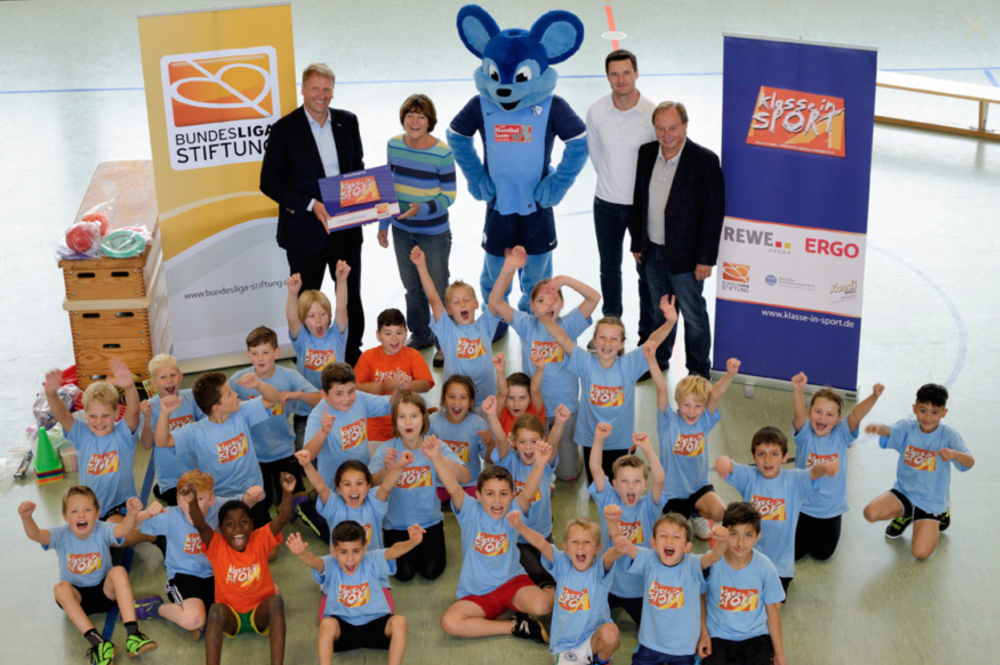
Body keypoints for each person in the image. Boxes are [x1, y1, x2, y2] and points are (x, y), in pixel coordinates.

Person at [260, 62, 365, 364]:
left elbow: (356, 166)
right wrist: (311, 203)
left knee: (351, 293)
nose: (321, 95)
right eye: (315, 88)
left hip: (345, 228)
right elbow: (269, 182)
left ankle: (351, 352)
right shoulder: (284, 130)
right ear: (303, 90)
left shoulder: (348, 121)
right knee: (307, 297)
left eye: (327, 88)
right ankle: (310, 355)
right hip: (305, 231)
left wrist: (366, 197)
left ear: (333, 91)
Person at [628, 101, 725, 379]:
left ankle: (697, 372)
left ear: (685, 126)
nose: (666, 134)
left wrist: (705, 259)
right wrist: (637, 242)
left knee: (694, 316)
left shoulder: (704, 161)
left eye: (672, 127)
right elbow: (639, 201)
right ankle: (659, 360)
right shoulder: (646, 153)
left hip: (687, 258)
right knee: (661, 312)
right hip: (653, 252)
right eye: (660, 128)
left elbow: (713, 214)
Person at [489, 246, 600, 480]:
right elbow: (496, 302)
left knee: (566, 475)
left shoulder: (570, 324)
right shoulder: (527, 324)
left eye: (553, 299)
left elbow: (594, 298)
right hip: (534, 410)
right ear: (531, 306)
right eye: (540, 300)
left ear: (561, 303)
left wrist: (566, 280)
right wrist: (508, 269)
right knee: (533, 467)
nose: (548, 304)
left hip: (565, 409)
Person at [539, 296, 677, 482]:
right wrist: (545, 317)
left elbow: (652, 342)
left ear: (621, 345)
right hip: (590, 438)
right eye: (602, 338)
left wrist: (670, 322)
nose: (607, 343)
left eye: (613, 339)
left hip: (619, 440)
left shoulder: (629, 365)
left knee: (617, 485)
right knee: (595, 488)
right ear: (594, 341)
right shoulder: (585, 362)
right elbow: (562, 338)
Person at [435, 440, 554, 644]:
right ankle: (517, 625)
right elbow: (453, 487)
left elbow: (528, 493)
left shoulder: (514, 510)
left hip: (512, 584)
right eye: (490, 494)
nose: (497, 501)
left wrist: (540, 463)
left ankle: (552, 587)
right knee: (449, 622)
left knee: (543, 606)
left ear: (511, 496)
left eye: (503, 494)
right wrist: (435, 457)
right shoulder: (470, 511)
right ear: (479, 496)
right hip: (478, 593)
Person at [19, 487, 155, 665]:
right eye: (74, 511)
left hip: (106, 594)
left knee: (118, 571)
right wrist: (27, 518)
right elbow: (36, 535)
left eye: (87, 510)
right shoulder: (60, 535)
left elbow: (123, 529)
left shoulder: (102, 529)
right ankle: (98, 644)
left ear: (98, 513)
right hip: (78, 600)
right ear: (65, 516)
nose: (81, 515)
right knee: (60, 588)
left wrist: (131, 514)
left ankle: (133, 635)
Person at [134, 470, 264, 639]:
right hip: (185, 576)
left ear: (211, 500)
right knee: (193, 620)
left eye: (199, 499)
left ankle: (206, 617)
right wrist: (146, 514)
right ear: (178, 501)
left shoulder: (218, 508)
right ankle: (156, 608)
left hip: (218, 573)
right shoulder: (171, 516)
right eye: (186, 499)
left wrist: (253, 497)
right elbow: (133, 526)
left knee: (258, 597)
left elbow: (242, 503)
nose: (191, 505)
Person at [586, 49, 657, 347]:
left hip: (642, 209)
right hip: (606, 204)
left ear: (636, 73)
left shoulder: (651, 113)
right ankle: (611, 329)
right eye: (614, 74)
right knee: (609, 269)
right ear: (607, 77)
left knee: (647, 273)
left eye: (626, 72)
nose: (620, 79)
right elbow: (596, 154)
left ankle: (646, 335)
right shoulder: (597, 111)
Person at [187, 473, 297, 665]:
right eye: (230, 525)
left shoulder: (260, 538)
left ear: (252, 524)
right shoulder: (216, 544)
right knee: (214, 611)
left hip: (259, 613)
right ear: (221, 529)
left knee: (277, 602)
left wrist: (287, 493)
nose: (237, 529)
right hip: (232, 617)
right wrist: (192, 502)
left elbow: (283, 517)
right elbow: (200, 524)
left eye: (244, 522)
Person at [715, 427, 838, 593]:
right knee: (744, 595)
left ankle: (787, 571)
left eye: (774, 454)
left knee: (771, 605)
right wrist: (722, 460)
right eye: (761, 454)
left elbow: (813, 472)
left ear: (785, 457)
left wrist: (825, 467)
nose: (767, 460)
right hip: (748, 556)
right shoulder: (749, 476)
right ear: (753, 457)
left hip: (780, 563)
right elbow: (730, 465)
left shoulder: (794, 480)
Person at [382, 94, 457, 366]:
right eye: (410, 115)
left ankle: (443, 343)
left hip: (433, 233)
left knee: (436, 289)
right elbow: (387, 188)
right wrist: (383, 224)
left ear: (429, 122)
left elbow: (449, 195)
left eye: (421, 116)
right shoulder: (393, 145)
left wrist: (421, 210)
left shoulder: (442, 152)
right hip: (401, 230)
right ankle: (421, 334)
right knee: (412, 287)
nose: (414, 121)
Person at [153, 371, 282, 528]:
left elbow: (274, 399)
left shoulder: (242, 412)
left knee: (270, 550)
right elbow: (162, 441)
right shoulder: (196, 431)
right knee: (227, 544)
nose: (235, 394)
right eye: (229, 394)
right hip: (219, 501)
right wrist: (165, 414)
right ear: (217, 408)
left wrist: (258, 384)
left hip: (252, 494)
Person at [862, 383, 974, 560]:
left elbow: (970, 461)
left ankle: (942, 511)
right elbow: (890, 430)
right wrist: (879, 428)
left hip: (931, 500)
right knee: (870, 513)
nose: (928, 417)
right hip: (904, 492)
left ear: (944, 413)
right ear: (914, 409)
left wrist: (954, 454)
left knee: (920, 553)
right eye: (923, 410)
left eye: (935, 412)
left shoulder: (949, 435)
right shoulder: (908, 427)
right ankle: (906, 514)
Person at [286, 521, 420, 665]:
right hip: (344, 627)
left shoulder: (372, 560)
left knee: (400, 621)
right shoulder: (330, 564)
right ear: (334, 551)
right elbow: (314, 562)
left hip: (376, 623)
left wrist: (412, 542)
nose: (350, 559)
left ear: (364, 549)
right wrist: (302, 553)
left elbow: (393, 551)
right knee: (326, 625)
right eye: (343, 552)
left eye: (356, 551)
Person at [369, 394, 470, 582]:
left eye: (414, 416)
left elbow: (465, 476)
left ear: (424, 417)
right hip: (396, 524)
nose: (408, 422)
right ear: (395, 420)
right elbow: (370, 485)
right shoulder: (387, 449)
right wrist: (387, 470)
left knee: (431, 571)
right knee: (404, 573)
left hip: (429, 522)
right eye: (402, 416)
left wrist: (438, 457)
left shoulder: (435, 445)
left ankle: (437, 534)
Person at [610, 511, 729, 665]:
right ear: (653, 543)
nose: (669, 541)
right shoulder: (649, 559)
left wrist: (722, 540)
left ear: (687, 547)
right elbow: (622, 544)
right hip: (651, 644)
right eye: (663, 535)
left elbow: (714, 556)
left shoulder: (692, 564)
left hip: (684, 648)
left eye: (677, 537)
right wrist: (612, 521)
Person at [792, 374, 883, 561]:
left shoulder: (841, 434)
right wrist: (798, 390)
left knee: (822, 554)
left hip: (830, 512)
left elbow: (857, 414)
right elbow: (799, 415)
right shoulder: (805, 434)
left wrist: (873, 396)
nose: (822, 418)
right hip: (802, 508)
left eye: (829, 414)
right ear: (810, 413)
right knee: (795, 553)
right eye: (818, 411)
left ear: (838, 419)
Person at [509, 515, 622, 665]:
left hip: (593, 640)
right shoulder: (561, 564)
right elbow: (541, 543)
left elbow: (619, 547)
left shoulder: (600, 570)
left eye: (587, 542)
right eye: (575, 542)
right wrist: (519, 526)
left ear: (597, 548)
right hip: (568, 646)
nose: (580, 546)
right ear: (566, 548)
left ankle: (599, 661)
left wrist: (612, 521)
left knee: (611, 632)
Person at [44, 361, 142, 532]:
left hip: (120, 505)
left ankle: (154, 537)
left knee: (113, 533)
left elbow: (133, 411)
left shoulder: (123, 433)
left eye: (105, 415)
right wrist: (51, 394)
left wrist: (129, 387)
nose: (99, 421)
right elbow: (62, 414)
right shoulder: (82, 433)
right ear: (85, 414)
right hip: (91, 509)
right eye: (93, 416)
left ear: (116, 413)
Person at [229, 326, 321, 509]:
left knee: (297, 501)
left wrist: (296, 395)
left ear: (277, 352)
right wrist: (232, 404)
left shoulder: (289, 376)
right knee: (261, 503)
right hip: (253, 455)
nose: (260, 358)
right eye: (255, 353)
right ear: (248, 354)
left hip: (284, 451)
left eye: (265, 352)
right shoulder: (239, 380)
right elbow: (219, 405)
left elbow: (319, 399)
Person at [649, 355, 740, 539]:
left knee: (721, 513)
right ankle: (677, 512)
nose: (691, 411)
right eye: (686, 405)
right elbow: (661, 389)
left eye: (698, 406)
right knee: (677, 536)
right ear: (678, 402)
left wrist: (729, 375)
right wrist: (651, 359)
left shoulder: (704, 422)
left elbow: (715, 395)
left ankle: (696, 513)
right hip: (672, 493)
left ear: (704, 407)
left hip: (698, 487)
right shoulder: (668, 423)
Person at [589, 429, 666, 628]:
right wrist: (598, 439)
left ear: (645, 486)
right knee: (591, 627)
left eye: (636, 481)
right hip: (608, 585)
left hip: (640, 587)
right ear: (614, 484)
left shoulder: (649, 506)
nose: (630, 486)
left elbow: (659, 479)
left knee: (654, 631)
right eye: (624, 481)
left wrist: (647, 448)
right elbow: (595, 468)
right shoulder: (607, 498)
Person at [482, 406, 565, 589]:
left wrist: (559, 422)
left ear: (542, 441)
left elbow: (554, 441)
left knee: (553, 568)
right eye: (522, 442)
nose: (528, 447)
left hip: (543, 531)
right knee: (535, 572)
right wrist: (491, 415)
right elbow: (501, 439)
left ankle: (549, 589)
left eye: (534, 441)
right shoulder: (508, 460)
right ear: (514, 442)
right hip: (517, 536)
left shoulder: (544, 461)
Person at [411, 245, 501, 408]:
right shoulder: (447, 330)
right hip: (455, 405)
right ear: (449, 310)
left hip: (487, 404)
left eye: (467, 300)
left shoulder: (485, 324)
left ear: (475, 304)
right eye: (456, 302)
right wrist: (421, 266)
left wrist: (509, 266)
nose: (462, 304)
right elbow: (434, 300)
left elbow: (497, 295)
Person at [699, 502, 786, 665]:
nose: (740, 542)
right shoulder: (710, 561)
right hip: (718, 636)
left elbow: (772, 613)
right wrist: (703, 633)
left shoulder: (765, 567)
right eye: (733, 534)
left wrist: (779, 655)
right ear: (724, 533)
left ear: (757, 535)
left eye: (748, 535)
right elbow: (700, 596)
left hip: (756, 637)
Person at [285, 268, 349, 449]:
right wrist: (292, 294)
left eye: (322, 314)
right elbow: (291, 317)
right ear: (303, 320)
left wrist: (341, 281)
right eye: (311, 316)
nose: (318, 321)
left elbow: (342, 308)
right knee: (305, 456)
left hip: (338, 408)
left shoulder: (337, 335)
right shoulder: (302, 339)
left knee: (340, 451)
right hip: (306, 412)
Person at [353, 308, 434, 443]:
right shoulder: (368, 357)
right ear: (378, 335)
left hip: (407, 424)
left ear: (406, 333)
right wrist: (383, 386)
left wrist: (407, 385)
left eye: (399, 332)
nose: (394, 338)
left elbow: (426, 384)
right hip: (375, 426)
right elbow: (354, 387)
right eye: (388, 333)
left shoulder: (413, 355)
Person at [139, 354, 205, 506]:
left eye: (173, 375)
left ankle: (159, 489)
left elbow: (206, 425)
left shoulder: (191, 397)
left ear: (180, 377)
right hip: (171, 478)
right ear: (154, 384)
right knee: (187, 508)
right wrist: (147, 419)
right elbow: (147, 445)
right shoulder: (150, 407)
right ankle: (162, 487)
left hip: (195, 471)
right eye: (163, 377)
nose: (169, 380)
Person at [428, 375, 490, 499]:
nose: (457, 402)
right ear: (443, 400)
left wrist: (490, 443)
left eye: (463, 397)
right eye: (451, 397)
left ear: (471, 401)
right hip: (438, 483)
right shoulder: (432, 421)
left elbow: (489, 459)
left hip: (469, 484)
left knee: (484, 499)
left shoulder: (479, 424)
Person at [491, 351, 547, 434]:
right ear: (505, 400)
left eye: (522, 398)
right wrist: (500, 371)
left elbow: (535, 390)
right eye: (511, 398)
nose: (516, 404)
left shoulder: (534, 412)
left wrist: (540, 369)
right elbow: (502, 393)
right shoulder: (502, 414)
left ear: (530, 398)